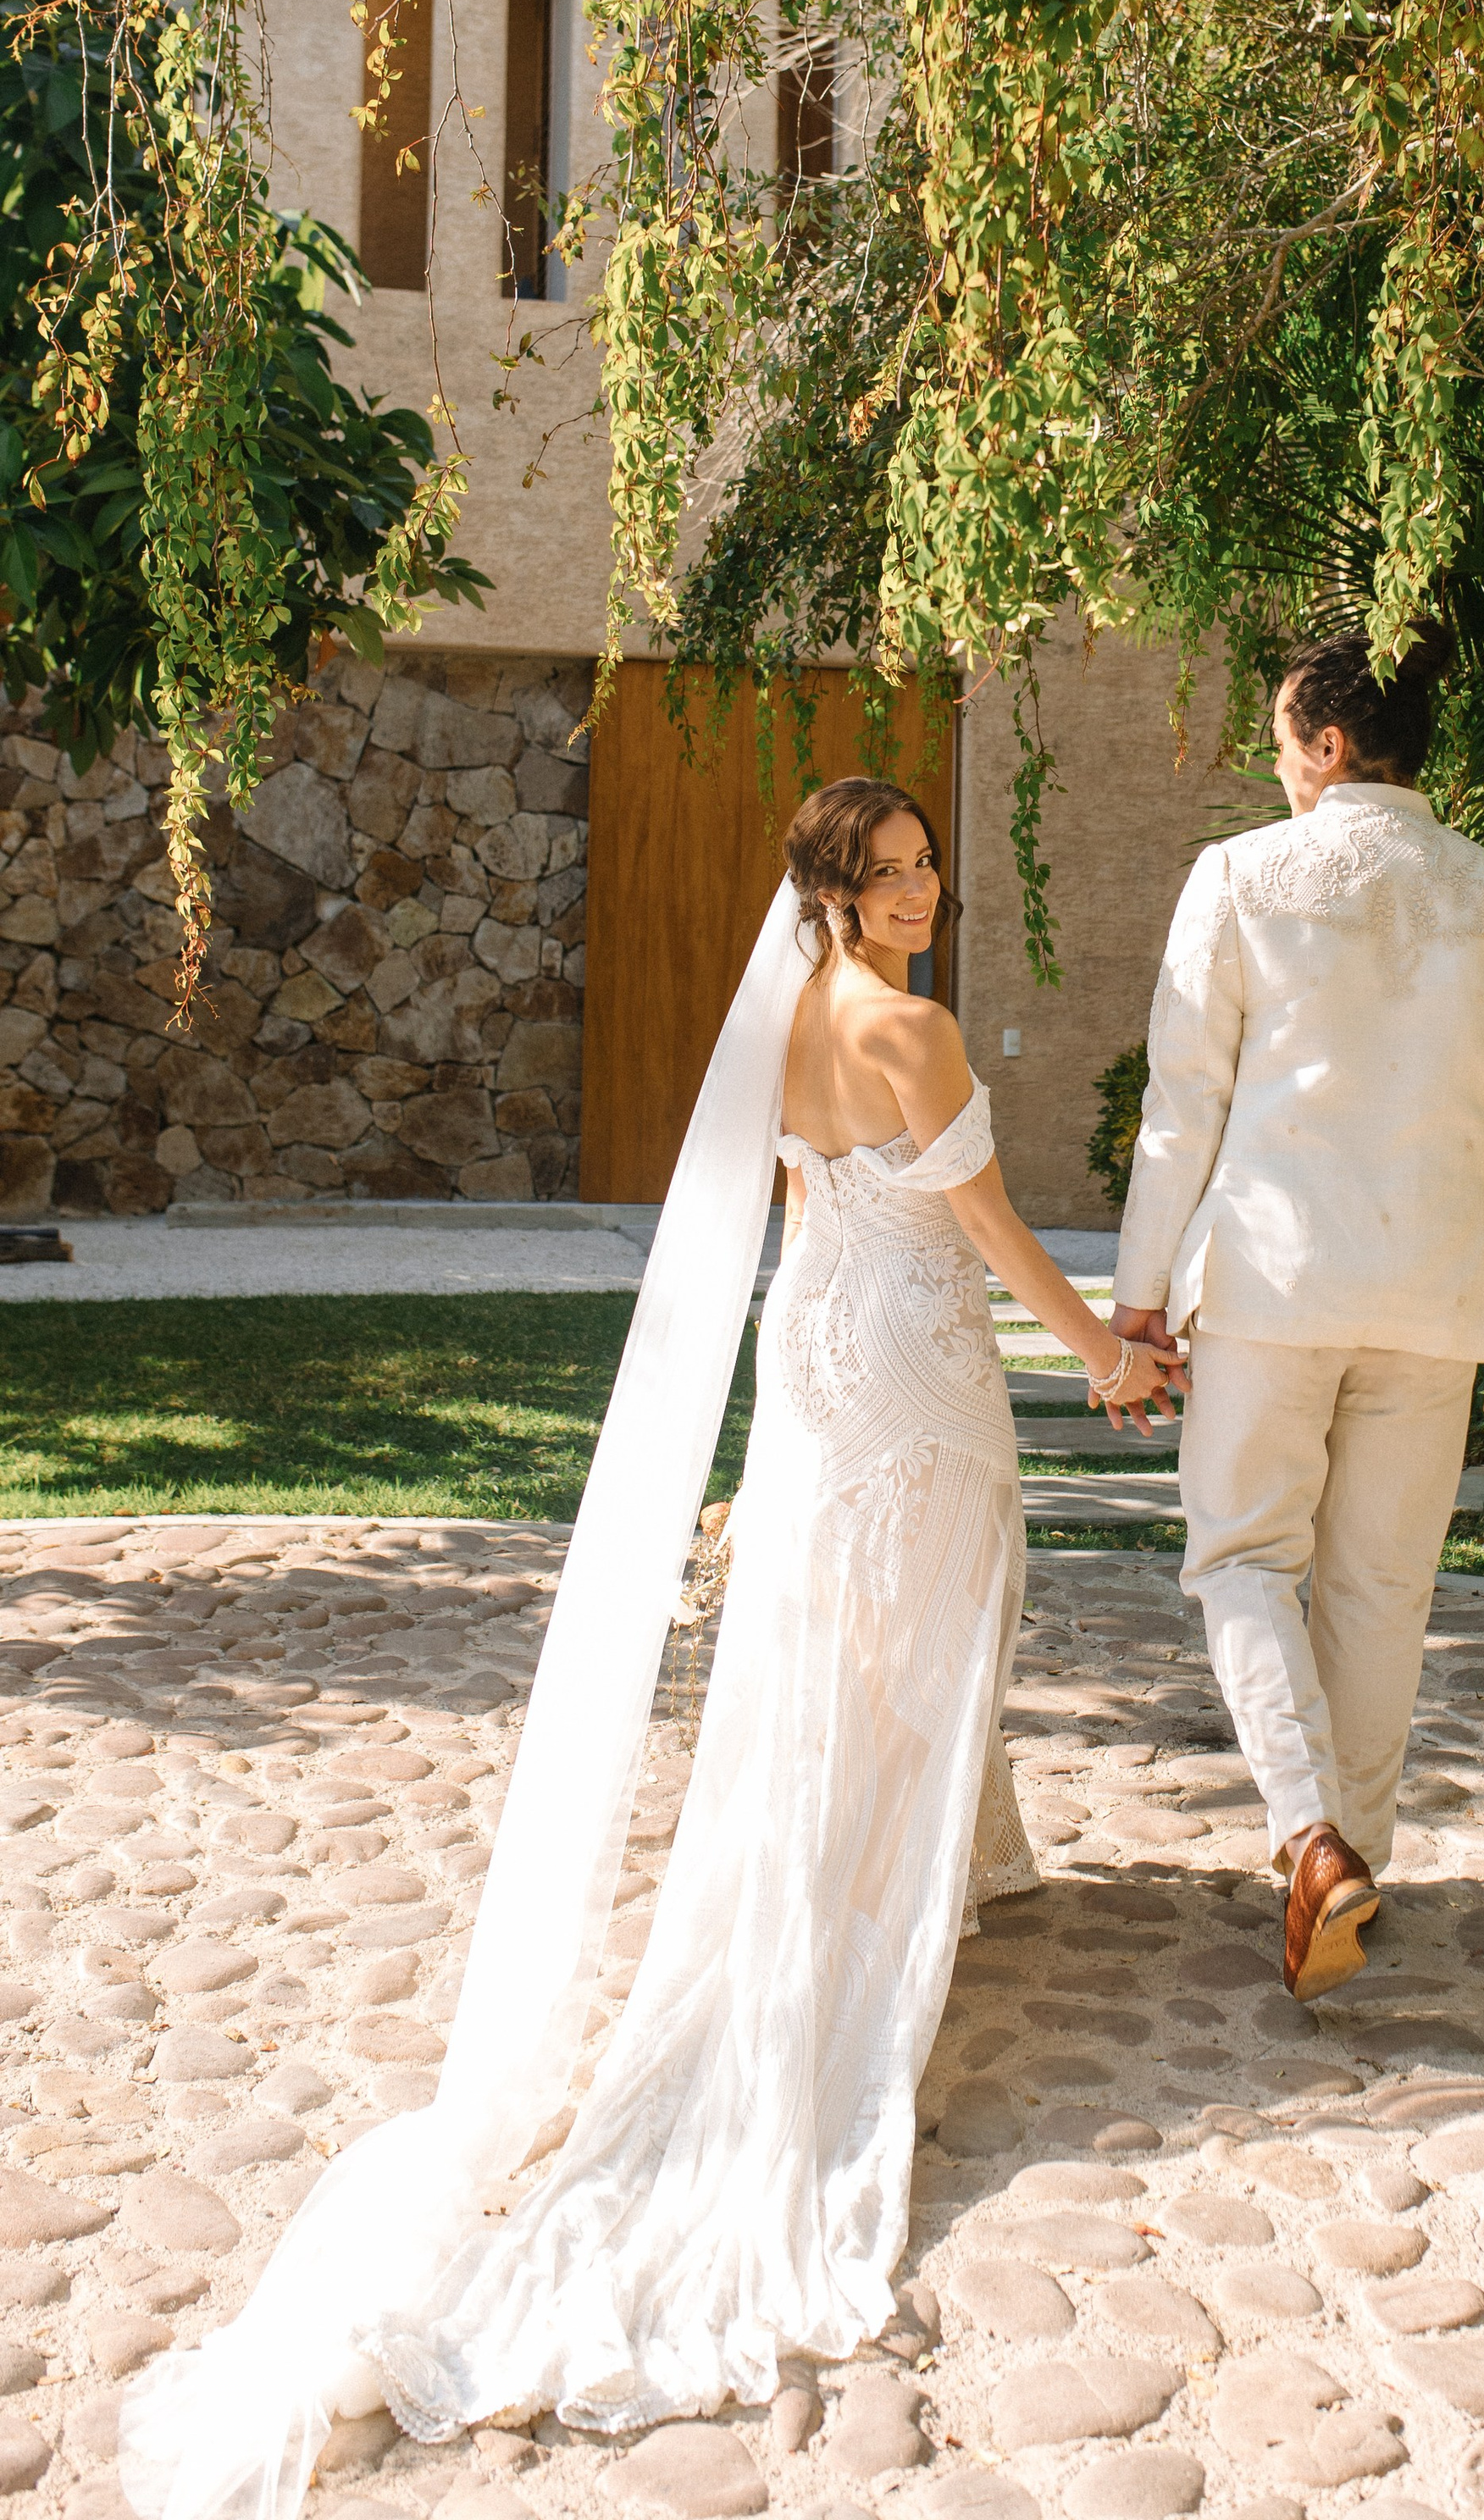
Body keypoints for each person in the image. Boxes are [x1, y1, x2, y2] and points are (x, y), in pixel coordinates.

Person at [121, 778, 1176, 2520]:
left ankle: (953, 1868)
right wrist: (1115, 1361)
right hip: (913, 1375)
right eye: (889, 873)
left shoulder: (780, 1028)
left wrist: (774, 1442)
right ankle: (872, 1927)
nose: (920, 893)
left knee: (842, 1648)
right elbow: (997, 1252)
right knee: (918, 1649)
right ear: (832, 892)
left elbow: (787, 1223)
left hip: (818, 1359)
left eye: (924, 867)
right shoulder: (908, 1035)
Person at [1110, 634, 1484, 2002]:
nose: (1271, 759)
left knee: (1242, 1556)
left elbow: (1182, 1103)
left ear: (1324, 744)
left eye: (1276, 735)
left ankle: (1309, 1840)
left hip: (1272, 1283)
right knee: (1383, 1591)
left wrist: (1138, 1295)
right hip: (1438, 1297)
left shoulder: (1242, 876)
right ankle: (1351, 1861)